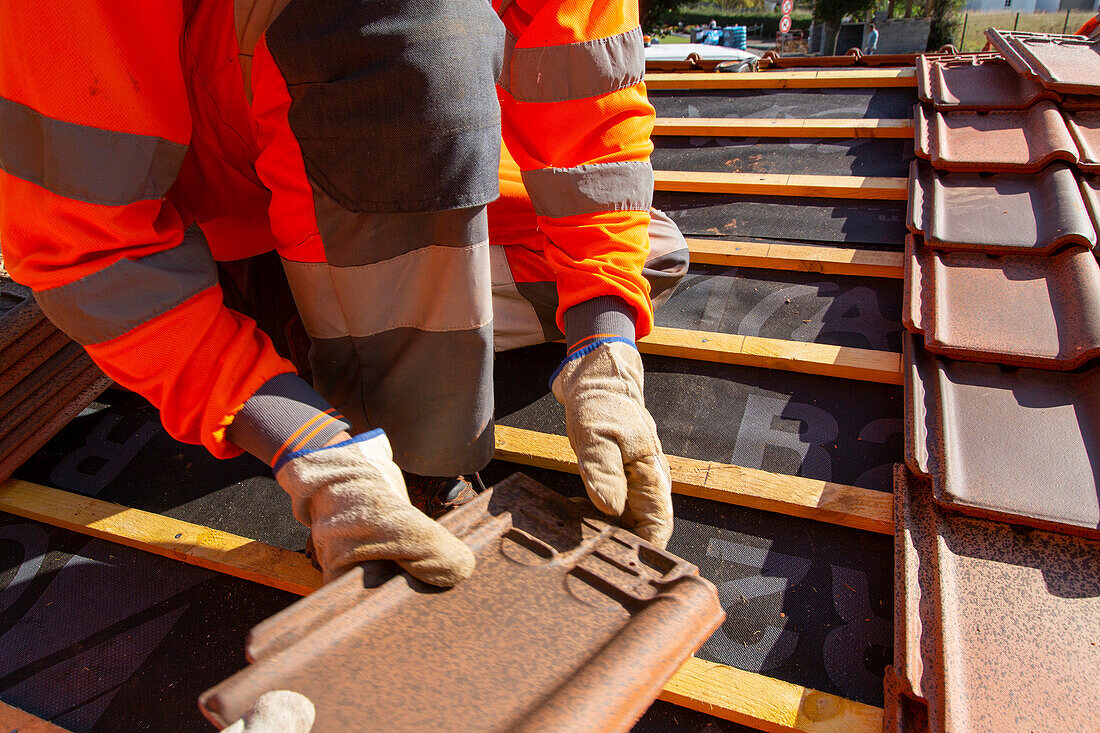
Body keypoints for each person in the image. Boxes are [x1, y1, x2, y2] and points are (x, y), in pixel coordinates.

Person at [0, 0, 685, 589]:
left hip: (379, 145)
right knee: (416, 31)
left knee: (645, 252)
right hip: (228, 207)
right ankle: (418, 465)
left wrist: (605, 343)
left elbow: (584, 82)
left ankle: (321, 325)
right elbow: (83, 238)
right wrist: (302, 442)